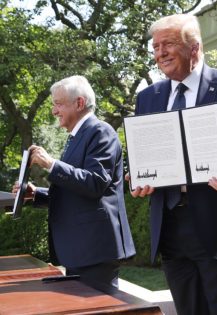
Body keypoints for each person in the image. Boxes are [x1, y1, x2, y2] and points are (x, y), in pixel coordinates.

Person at [128, 14, 217, 315]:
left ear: (194, 48)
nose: (160, 53)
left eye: (167, 45)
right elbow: (146, 154)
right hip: (172, 232)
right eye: (155, 47)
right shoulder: (147, 98)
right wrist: (138, 175)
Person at [13, 75, 136, 293]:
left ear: (79, 103)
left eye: (58, 104)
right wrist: (37, 194)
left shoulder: (101, 132)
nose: (54, 111)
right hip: (80, 249)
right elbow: (74, 191)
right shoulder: (76, 137)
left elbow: (94, 183)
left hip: (94, 250)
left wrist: (51, 164)